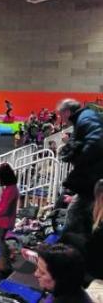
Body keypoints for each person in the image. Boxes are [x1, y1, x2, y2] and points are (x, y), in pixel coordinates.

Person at [57, 98, 103, 239]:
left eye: (60, 114)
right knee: (83, 216)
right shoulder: (86, 117)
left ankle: (65, 252)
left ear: (67, 112)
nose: (60, 118)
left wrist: (75, 157)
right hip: (92, 180)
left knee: (74, 214)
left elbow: (96, 142)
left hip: (92, 179)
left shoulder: (86, 118)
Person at [0, 163, 19, 272]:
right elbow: (4, 204)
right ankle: (9, 251)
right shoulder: (11, 188)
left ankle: (3, 264)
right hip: (3, 219)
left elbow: (5, 209)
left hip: (4, 220)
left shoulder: (10, 190)